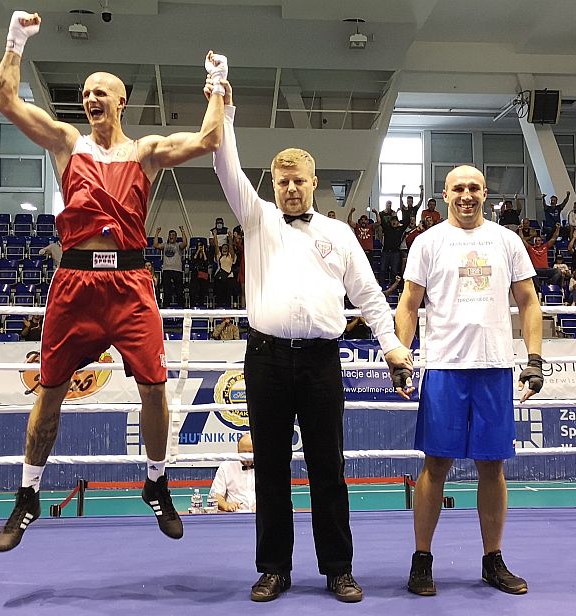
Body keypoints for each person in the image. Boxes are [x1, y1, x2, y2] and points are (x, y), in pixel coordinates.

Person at [0, 11, 225, 552]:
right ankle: (27, 495)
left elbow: (211, 139)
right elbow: (6, 100)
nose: (92, 97)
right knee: (49, 395)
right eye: (88, 92)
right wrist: (15, 40)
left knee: (154, 388)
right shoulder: (66, 143)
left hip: (129, 284)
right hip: (73, 285)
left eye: (103, 92)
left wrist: (216, 83)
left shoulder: (145, 152)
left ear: (121, 103)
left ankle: (157, 480)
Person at [210, 76, 412, 604]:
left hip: (322, 360)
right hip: (267, 358)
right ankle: (274, 567)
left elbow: (369, 297)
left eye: (299, 181)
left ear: (314, 182)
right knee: (271, 466)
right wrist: (225, 109)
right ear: (272, 185)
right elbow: (224, 167)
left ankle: (338, 568)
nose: (291, 189)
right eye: (282, 182)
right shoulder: (255, 220)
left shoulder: (339, 234)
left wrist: (391, 345)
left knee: (329, 467)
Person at [394, 164, 543, 597]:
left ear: (485, 193)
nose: (466, 195)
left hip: (494, 365)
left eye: (474, 187)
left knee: (492, 465)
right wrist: (401, 357)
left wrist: (534, 358)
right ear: (444, 194)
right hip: (443, 367)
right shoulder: (428, 242)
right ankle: (422, 560)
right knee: (435, 464)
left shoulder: (506, 240)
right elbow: (408, 303)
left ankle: (492, 560)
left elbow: (529, 301)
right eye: (458, 188)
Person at [211, 433, 256, 512]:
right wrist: (227, 505)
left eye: (250, 452)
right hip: (235, 515)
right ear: (238, 451)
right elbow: (215, 496)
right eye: (244, 453)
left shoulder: (266, 467)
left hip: (261, 516)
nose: (247, 456)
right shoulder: (226, 467)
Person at [153, 226, 188, 307]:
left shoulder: (178, 245)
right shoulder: (165, 245)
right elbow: (155, 245)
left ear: (176, 237)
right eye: (170, 235)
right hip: (166, 270)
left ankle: (181, 309)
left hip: (177, 271)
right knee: (167, 292)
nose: (171, 236)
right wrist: (157, 233)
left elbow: (185, 243)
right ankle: (166, 309)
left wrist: (182, 231)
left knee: (179, 292)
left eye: (173, 235)